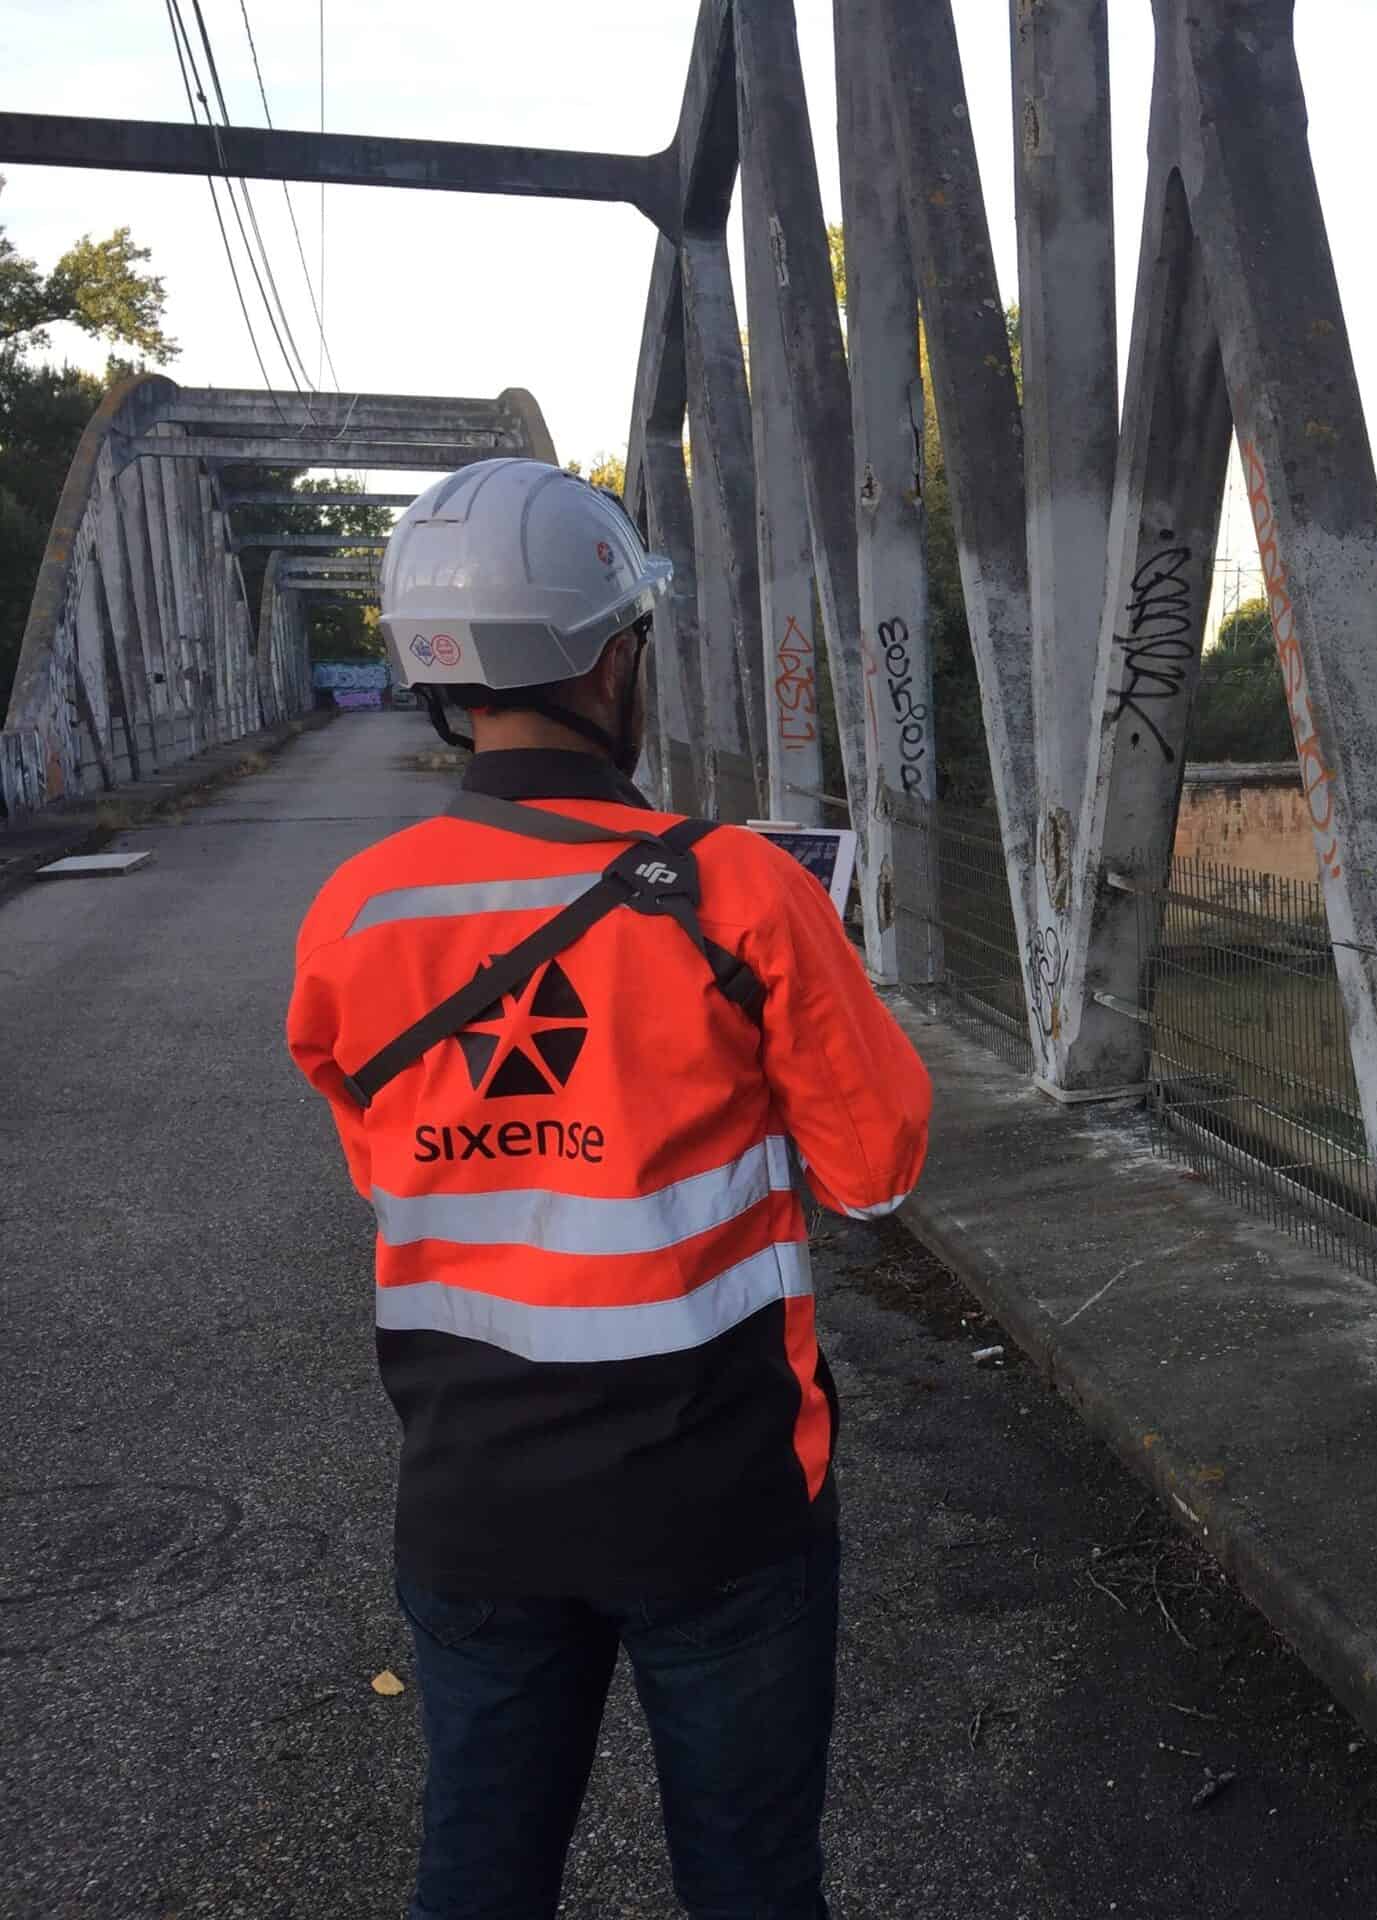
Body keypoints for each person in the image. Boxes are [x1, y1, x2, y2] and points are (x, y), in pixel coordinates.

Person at [285, 457, 929, 1918]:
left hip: (473, 1499)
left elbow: (395, 1177)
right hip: (720, 1495)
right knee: (752, 1882)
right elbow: (878, 1169)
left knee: (480, 1877)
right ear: (614, 660)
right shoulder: (740, 891)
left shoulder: (355, 916)